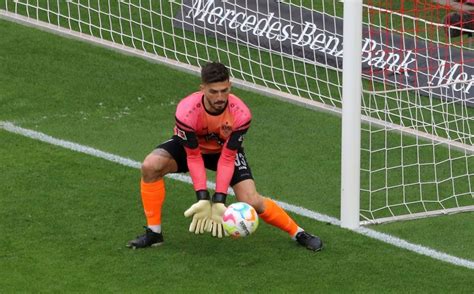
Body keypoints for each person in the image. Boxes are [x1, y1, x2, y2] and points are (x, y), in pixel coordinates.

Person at [127, 61, 323, 251]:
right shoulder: (187, 112)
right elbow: (194, 157)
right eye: (213, 91)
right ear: (202, 88)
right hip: (192, 149)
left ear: (230, 86)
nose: (220, 97)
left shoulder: (241, 114)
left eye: (224, 90)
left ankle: (298, 233)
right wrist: (203, 198)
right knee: (151, 165)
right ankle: (154, 233)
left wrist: (219, 200)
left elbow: (228, 158)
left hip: (223, 151)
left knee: (252, 200)